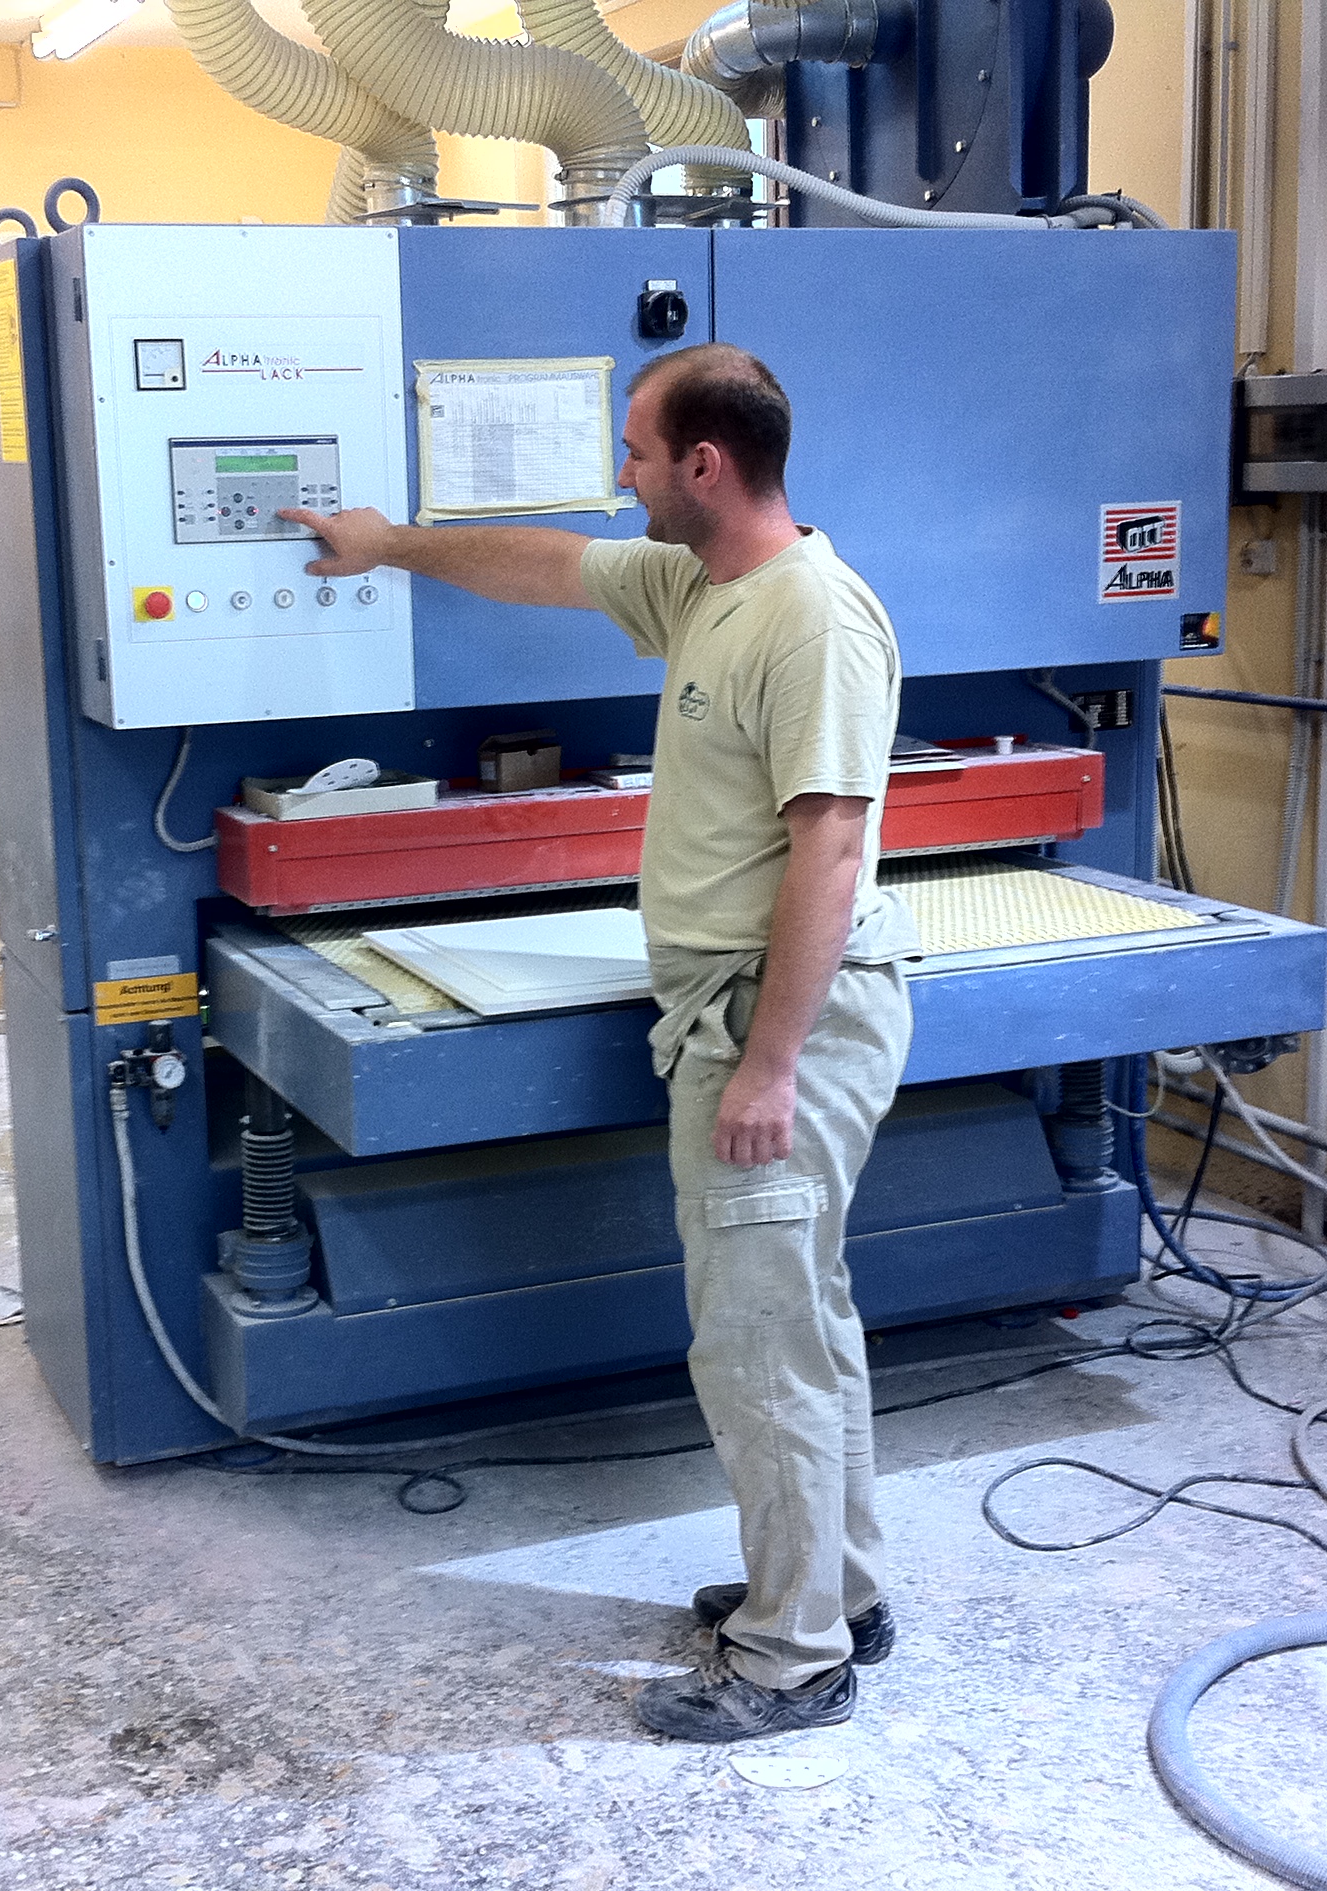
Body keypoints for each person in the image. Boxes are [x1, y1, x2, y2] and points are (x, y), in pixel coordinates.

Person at [279, 344, 918, 1744]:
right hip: (737, 1009)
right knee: (798, 1320)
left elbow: (832, 850)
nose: (619, 475)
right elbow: (549, 565)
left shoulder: (810, 617)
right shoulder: (704, 583)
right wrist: (387, 543)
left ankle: (792, 1659)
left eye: (635, 451)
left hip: (775, 1020)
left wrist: (770, 1064)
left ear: (705, 465)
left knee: (758, 1346)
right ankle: (833, 1588)